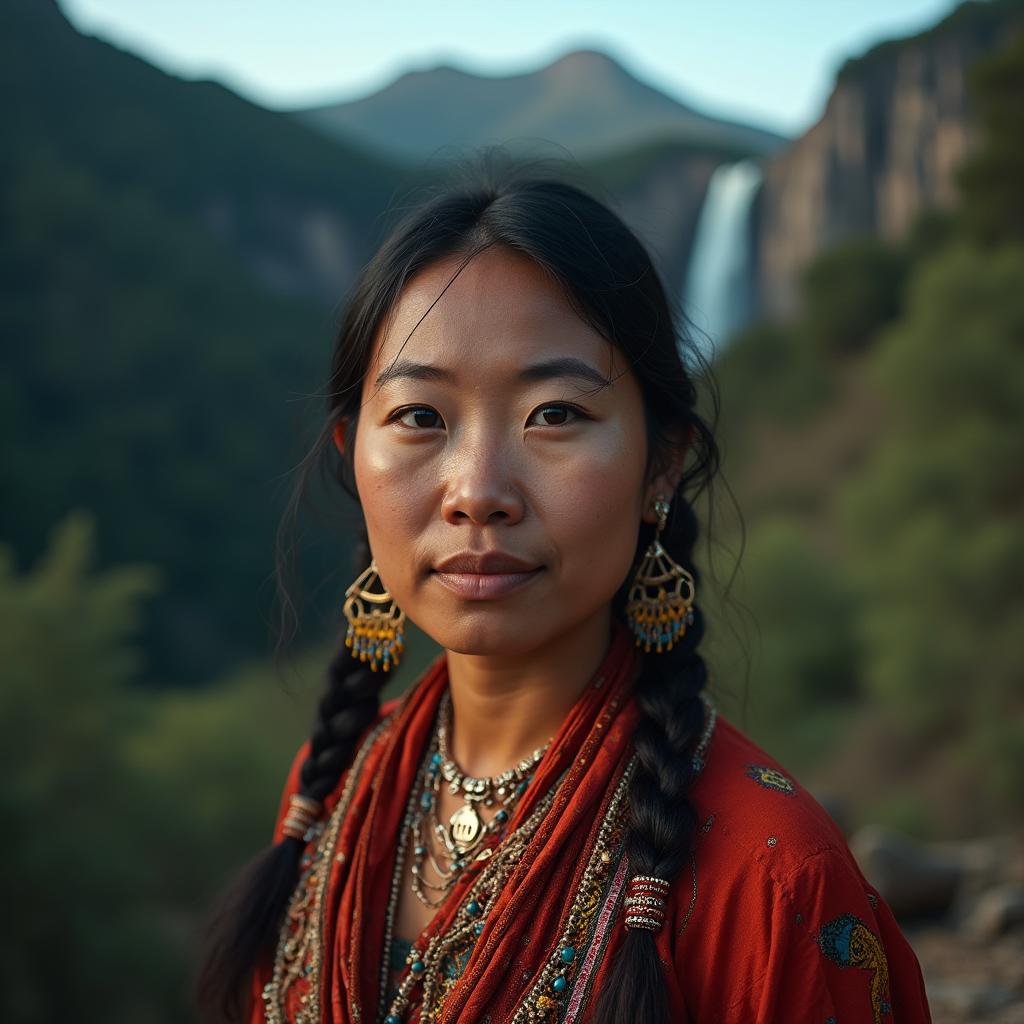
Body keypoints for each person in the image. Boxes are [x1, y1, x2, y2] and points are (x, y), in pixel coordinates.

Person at [192, 161, 933, 1024]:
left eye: (554, 414)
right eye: (420, 417)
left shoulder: (770, 876)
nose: (477, 490)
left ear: (662, 464)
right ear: (353, 459)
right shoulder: (337, 788)